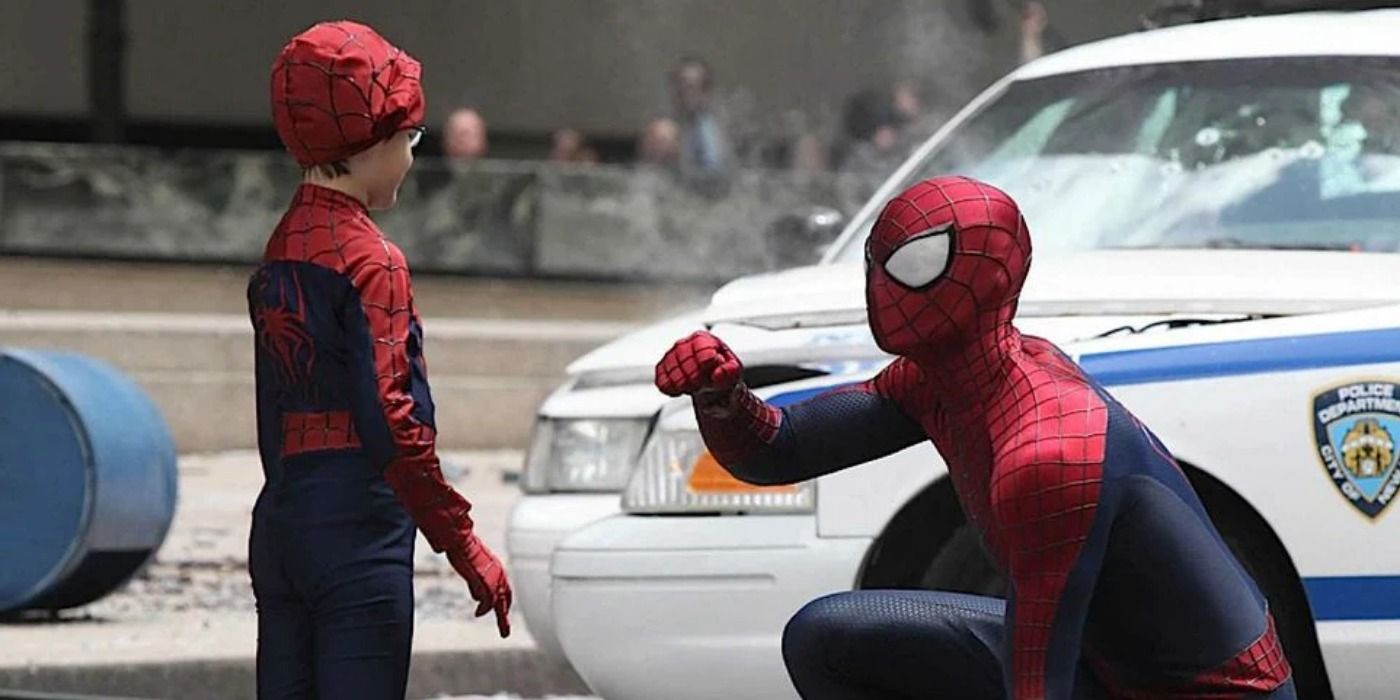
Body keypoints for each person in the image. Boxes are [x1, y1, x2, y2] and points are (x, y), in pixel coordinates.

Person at [654, 176, 1296, 699]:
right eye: (876, 260)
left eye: (913, 264)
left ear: (990, 278)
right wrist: (721, 397)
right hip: (1108, 668)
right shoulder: (939, 380)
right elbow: (781, 449)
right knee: (828, 639)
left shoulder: (1048, 450)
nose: (881, 287)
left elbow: (1037, 677)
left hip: (1214, 693)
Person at [255, 20, 512, 698]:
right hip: (357, 530)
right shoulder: (373, 261)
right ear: (372, 141)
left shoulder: (282, 248)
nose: (411, 156)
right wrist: (466, 547)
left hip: (281, 523)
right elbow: (396, 423)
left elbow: (271, 413)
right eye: (409, 140)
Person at [671, 56, 730, 178]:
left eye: (690, 88)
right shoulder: (679, 125)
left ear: (705, 94)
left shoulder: (707, 133)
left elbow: (712, 174)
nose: (682, 94)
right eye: (679, 86)